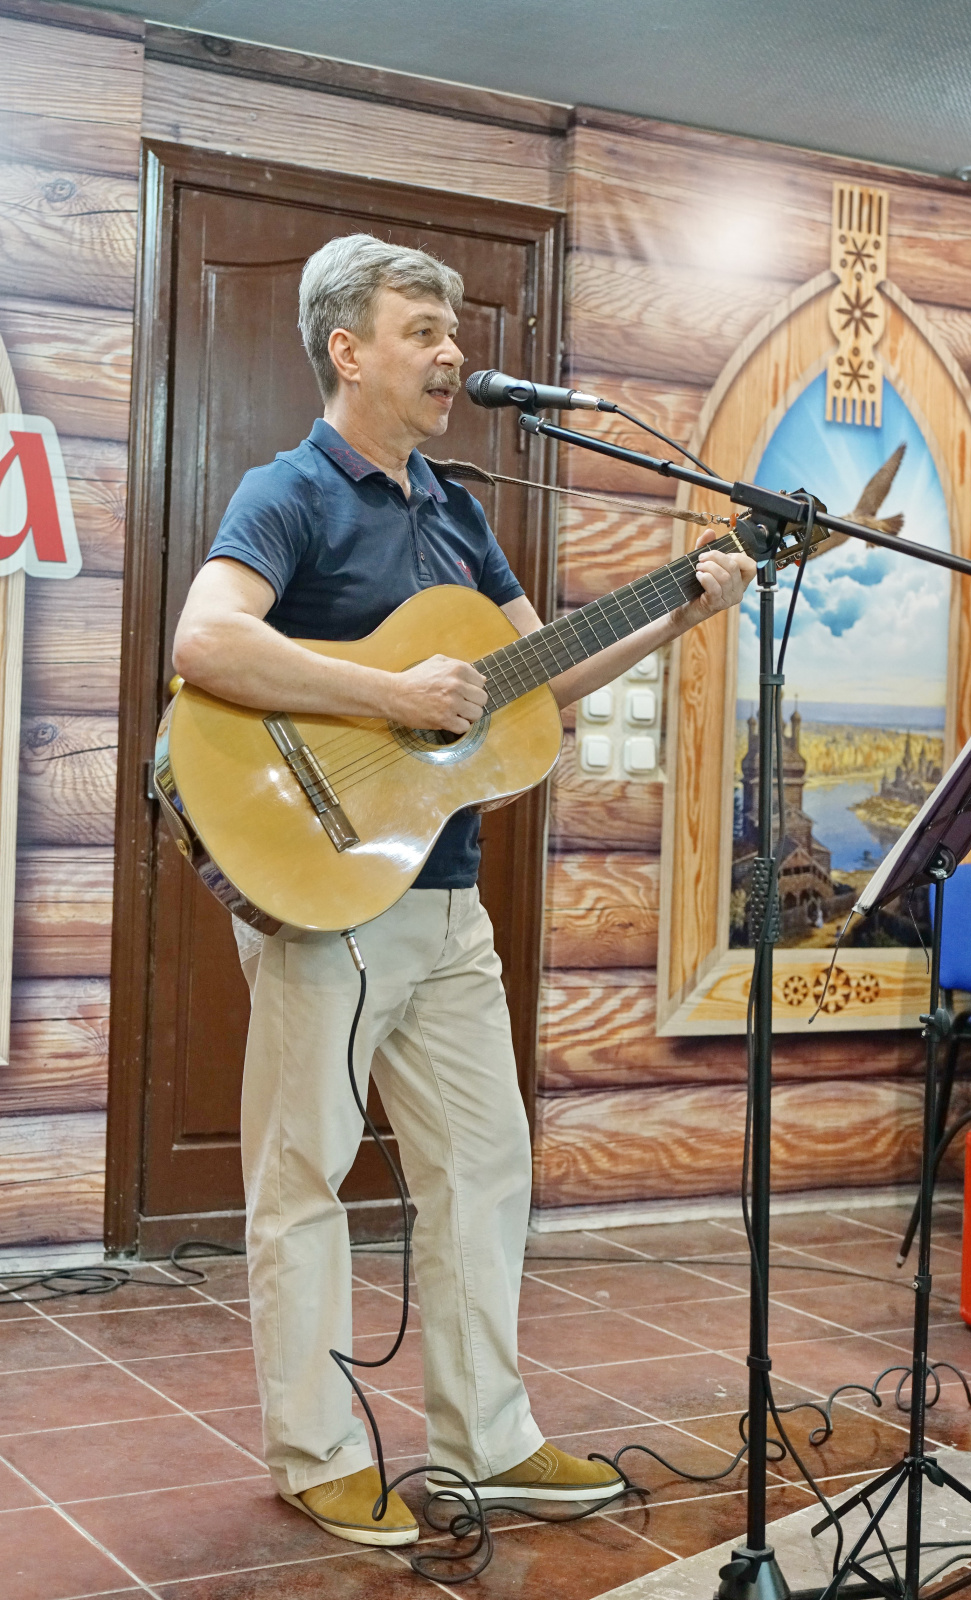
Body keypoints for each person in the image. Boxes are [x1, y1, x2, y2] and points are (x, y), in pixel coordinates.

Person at [172, 234, 754, 1547]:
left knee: (487, 1167)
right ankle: (317, 1453)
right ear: (347, 350)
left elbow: (532, 681)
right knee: (303, 1176)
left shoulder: (456, 510)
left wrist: (683, 610)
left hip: (444, 898)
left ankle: (487, 1440)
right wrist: (390, 691)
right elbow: (206, 640)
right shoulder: (288, 491)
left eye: (454, 332)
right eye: (422, 331)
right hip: (325, 889)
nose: (452, 356)